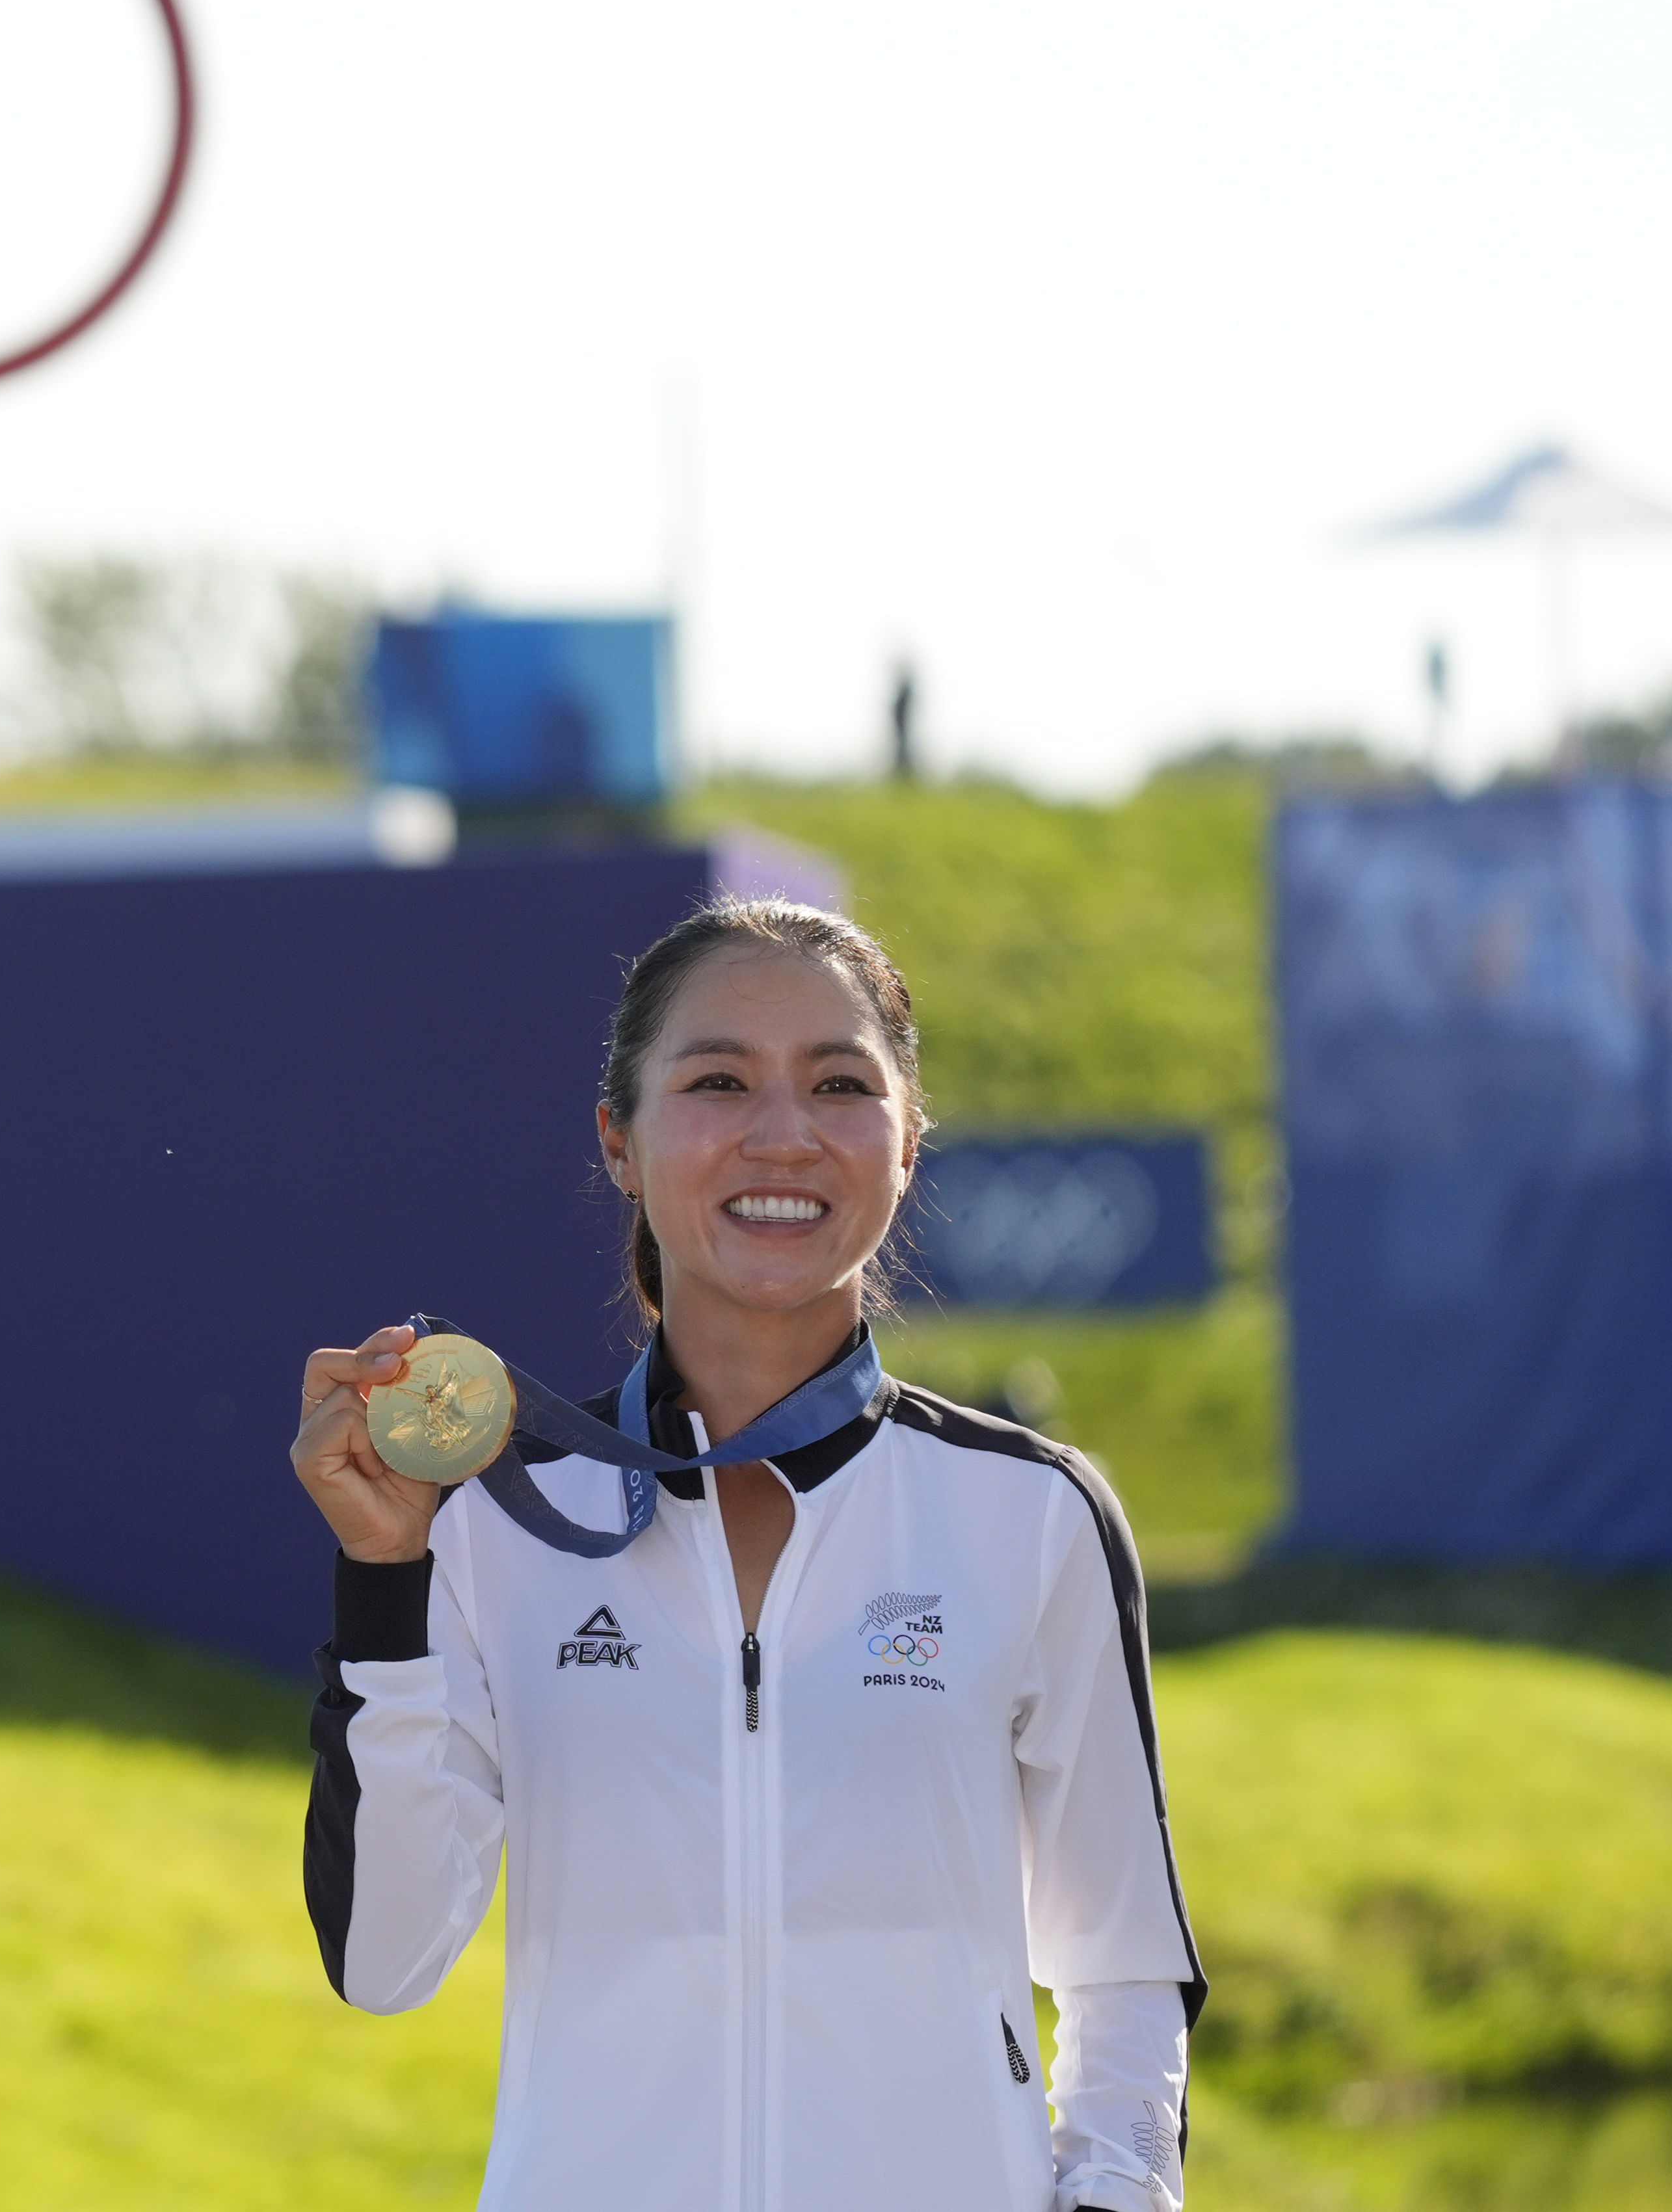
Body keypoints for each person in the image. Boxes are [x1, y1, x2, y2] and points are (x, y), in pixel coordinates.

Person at [291, 899, 1201, 2212]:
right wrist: (382, 1579)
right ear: (619, 1138)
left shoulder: (1028, 1512)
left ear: (904, 1140)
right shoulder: (492, 1521)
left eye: (839, 1082)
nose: (781, 1132)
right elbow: (382, 1957)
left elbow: (1120, 1961)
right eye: (716, 1079)